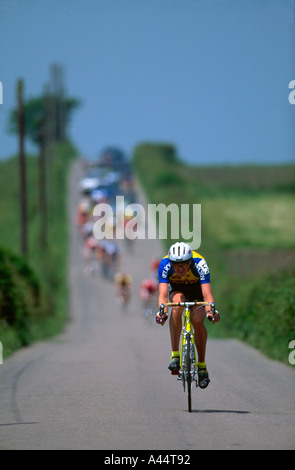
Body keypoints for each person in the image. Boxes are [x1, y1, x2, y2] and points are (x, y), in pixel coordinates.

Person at [156, 242, 220, 389]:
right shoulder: (164, 264)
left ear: (190, 261)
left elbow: (207, 294)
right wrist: (162, 314)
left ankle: (202, 367)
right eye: (176, 264)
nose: (179, 268)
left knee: (197, 321)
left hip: (197, 291)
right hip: (178, 291)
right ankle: (175, 355)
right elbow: (163, 296)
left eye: (183, 264)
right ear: (170, 262)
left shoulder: (200, 263)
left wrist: (211, 312)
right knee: (177, 303)